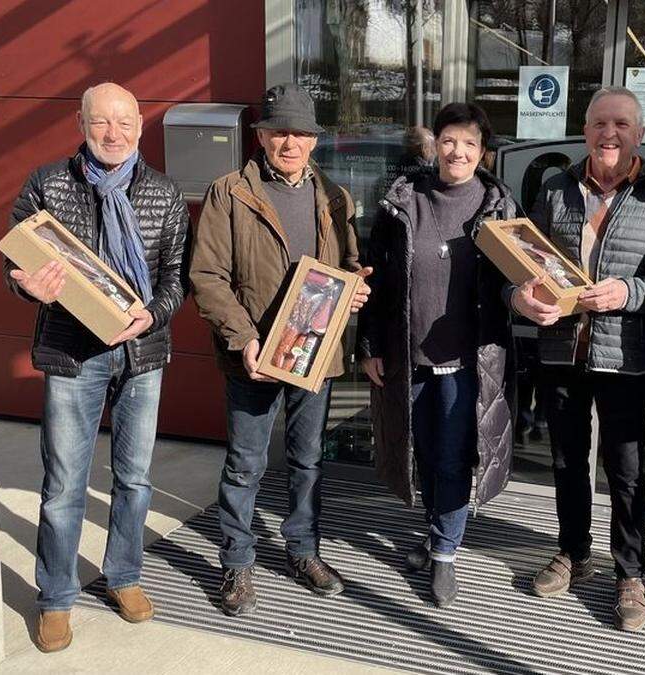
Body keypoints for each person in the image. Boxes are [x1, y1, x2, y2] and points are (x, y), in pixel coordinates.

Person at [3, 82, 189, 653]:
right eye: (102, 122)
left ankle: (124, 575)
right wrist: (27, 285)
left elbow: (175, 278)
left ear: (140, 125)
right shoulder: (48, 184)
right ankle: (56, 597)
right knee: (64, 484)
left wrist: (150, 317)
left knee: (134, 479)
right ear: (81, 123)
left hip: (141, 356)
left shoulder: (163, 191)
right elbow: (16, 260)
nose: (114, 134)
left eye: (125, 123)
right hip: (72, 353)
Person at [189, 84, 370, 616]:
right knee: (246, 465)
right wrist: (244, 338)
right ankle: (238, 562)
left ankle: (303, 550)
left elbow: (350, 264)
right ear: (262, 136)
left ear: (314, 141)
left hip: (314, 353)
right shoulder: (230, 192)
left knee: (308, 460)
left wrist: (356, 287)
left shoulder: (335, 197)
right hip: (254, 357)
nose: (288, 142)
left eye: (299, 132)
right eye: (278, 131)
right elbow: (207, 276)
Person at [513, 86, 645, 632]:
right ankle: (574, 551)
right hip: (563, 349)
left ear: (638, 133)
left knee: (626, 469)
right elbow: (526, 261)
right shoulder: (557, 188)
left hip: (627, 354)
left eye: (619, 124)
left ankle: (631, 574)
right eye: (597, 124)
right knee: (567, 460)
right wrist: (520, 295)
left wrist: (629, 293)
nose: (607, 134)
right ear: (584, 130)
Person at [357, 102, 517, 608]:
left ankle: (446, 553)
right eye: (450, 140)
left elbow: (521, 280)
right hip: (408, 360)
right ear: (435, 146)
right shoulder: (404, 203)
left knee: (452, 458)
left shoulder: (499, 209)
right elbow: (374, 280)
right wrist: (370, 345)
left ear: (483, 152)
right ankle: (434, 537)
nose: (458, 151)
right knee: (420, 455)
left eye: (470, 143)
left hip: (466, 363)